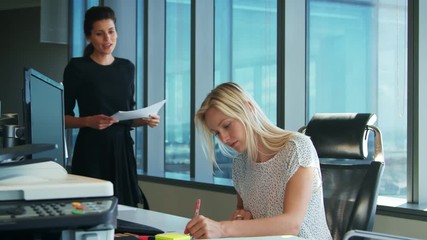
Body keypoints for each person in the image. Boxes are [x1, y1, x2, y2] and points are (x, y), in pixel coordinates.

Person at [184, 82, 332, 239]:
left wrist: (222, 228)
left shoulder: (297, 148)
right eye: (216, 133)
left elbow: (292, 224)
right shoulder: (240, 164)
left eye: (227, 126)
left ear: (249, 109)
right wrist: (242, 217)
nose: (224, 138)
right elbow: (245, 215)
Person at [62, 6, 160, 207]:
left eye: (111, 31)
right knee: (90, 210)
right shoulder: (77, 67)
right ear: (89, 37)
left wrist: (145, 119)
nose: (107, 38)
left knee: (127, 211)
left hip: (122, 150)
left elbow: (125, 116)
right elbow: (61, 118)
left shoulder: (127, 67)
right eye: (99, 33)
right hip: (91, 150)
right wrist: (88, 121)